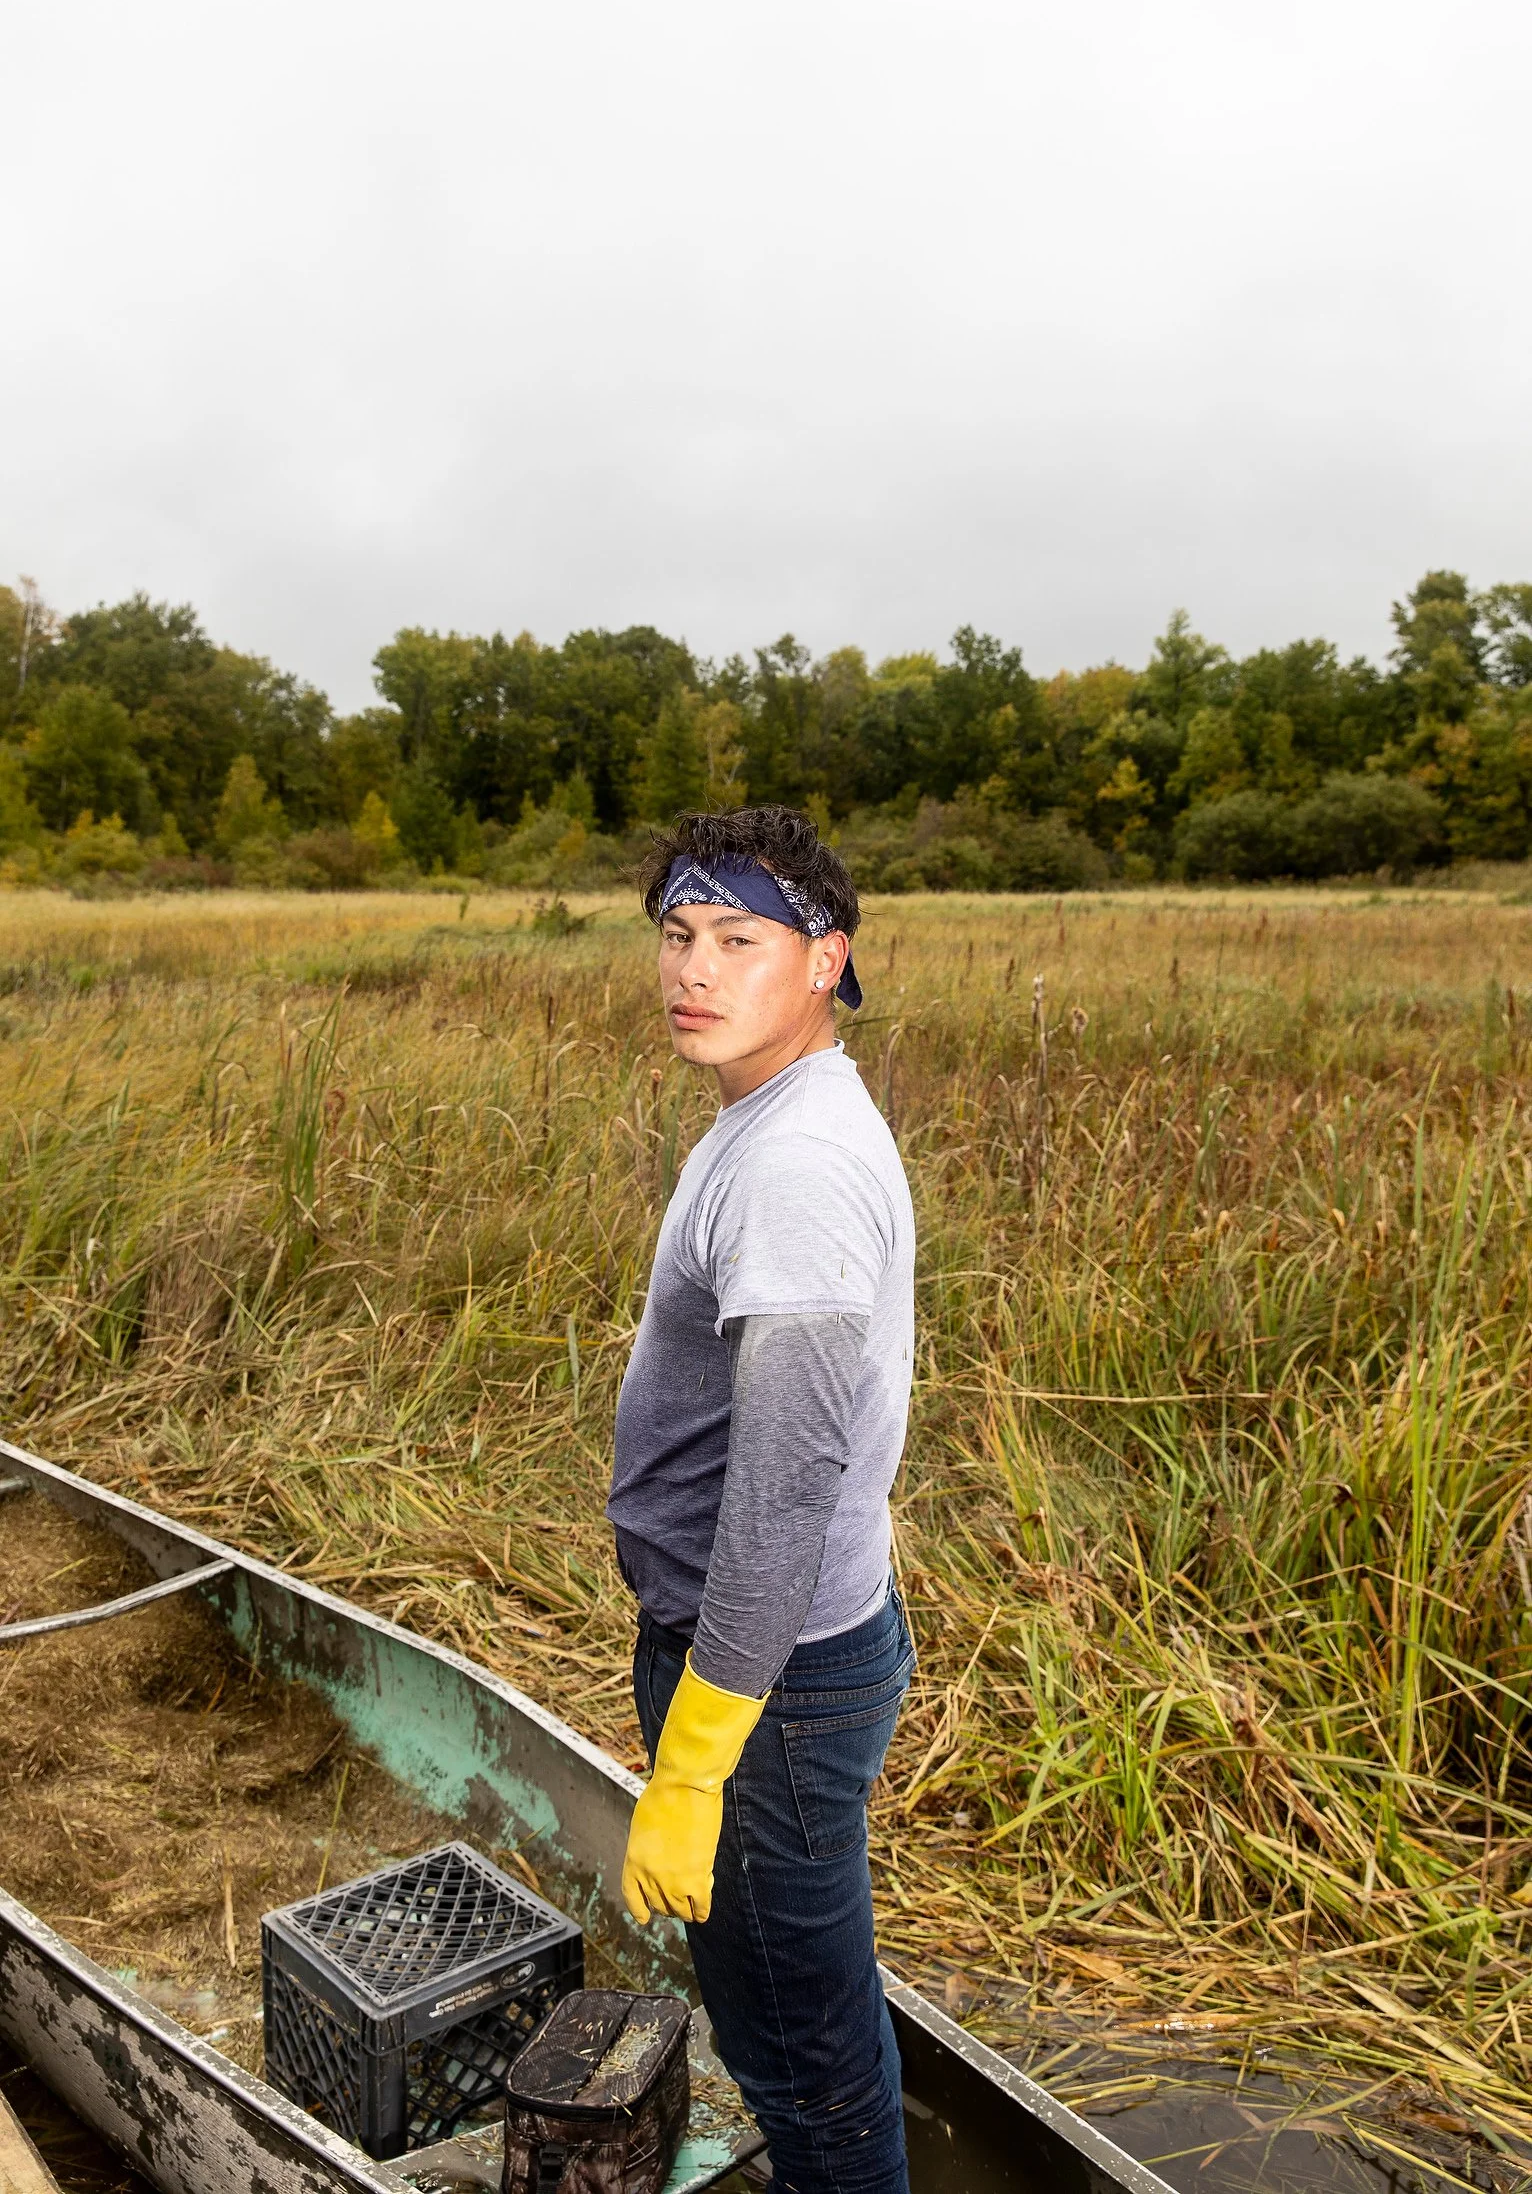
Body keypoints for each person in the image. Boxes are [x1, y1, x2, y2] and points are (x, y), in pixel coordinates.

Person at [607, 804, 917, 2194]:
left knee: (806, 2063)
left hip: (766, 1689)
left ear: (825, 960)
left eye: (740, 939)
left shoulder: (795, 1165)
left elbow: (787, 1489)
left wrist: (694, 1762)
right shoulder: (773, 1110)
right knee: (805, 2021)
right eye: (679, 934)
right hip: (772, 1666)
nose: (694, 969)